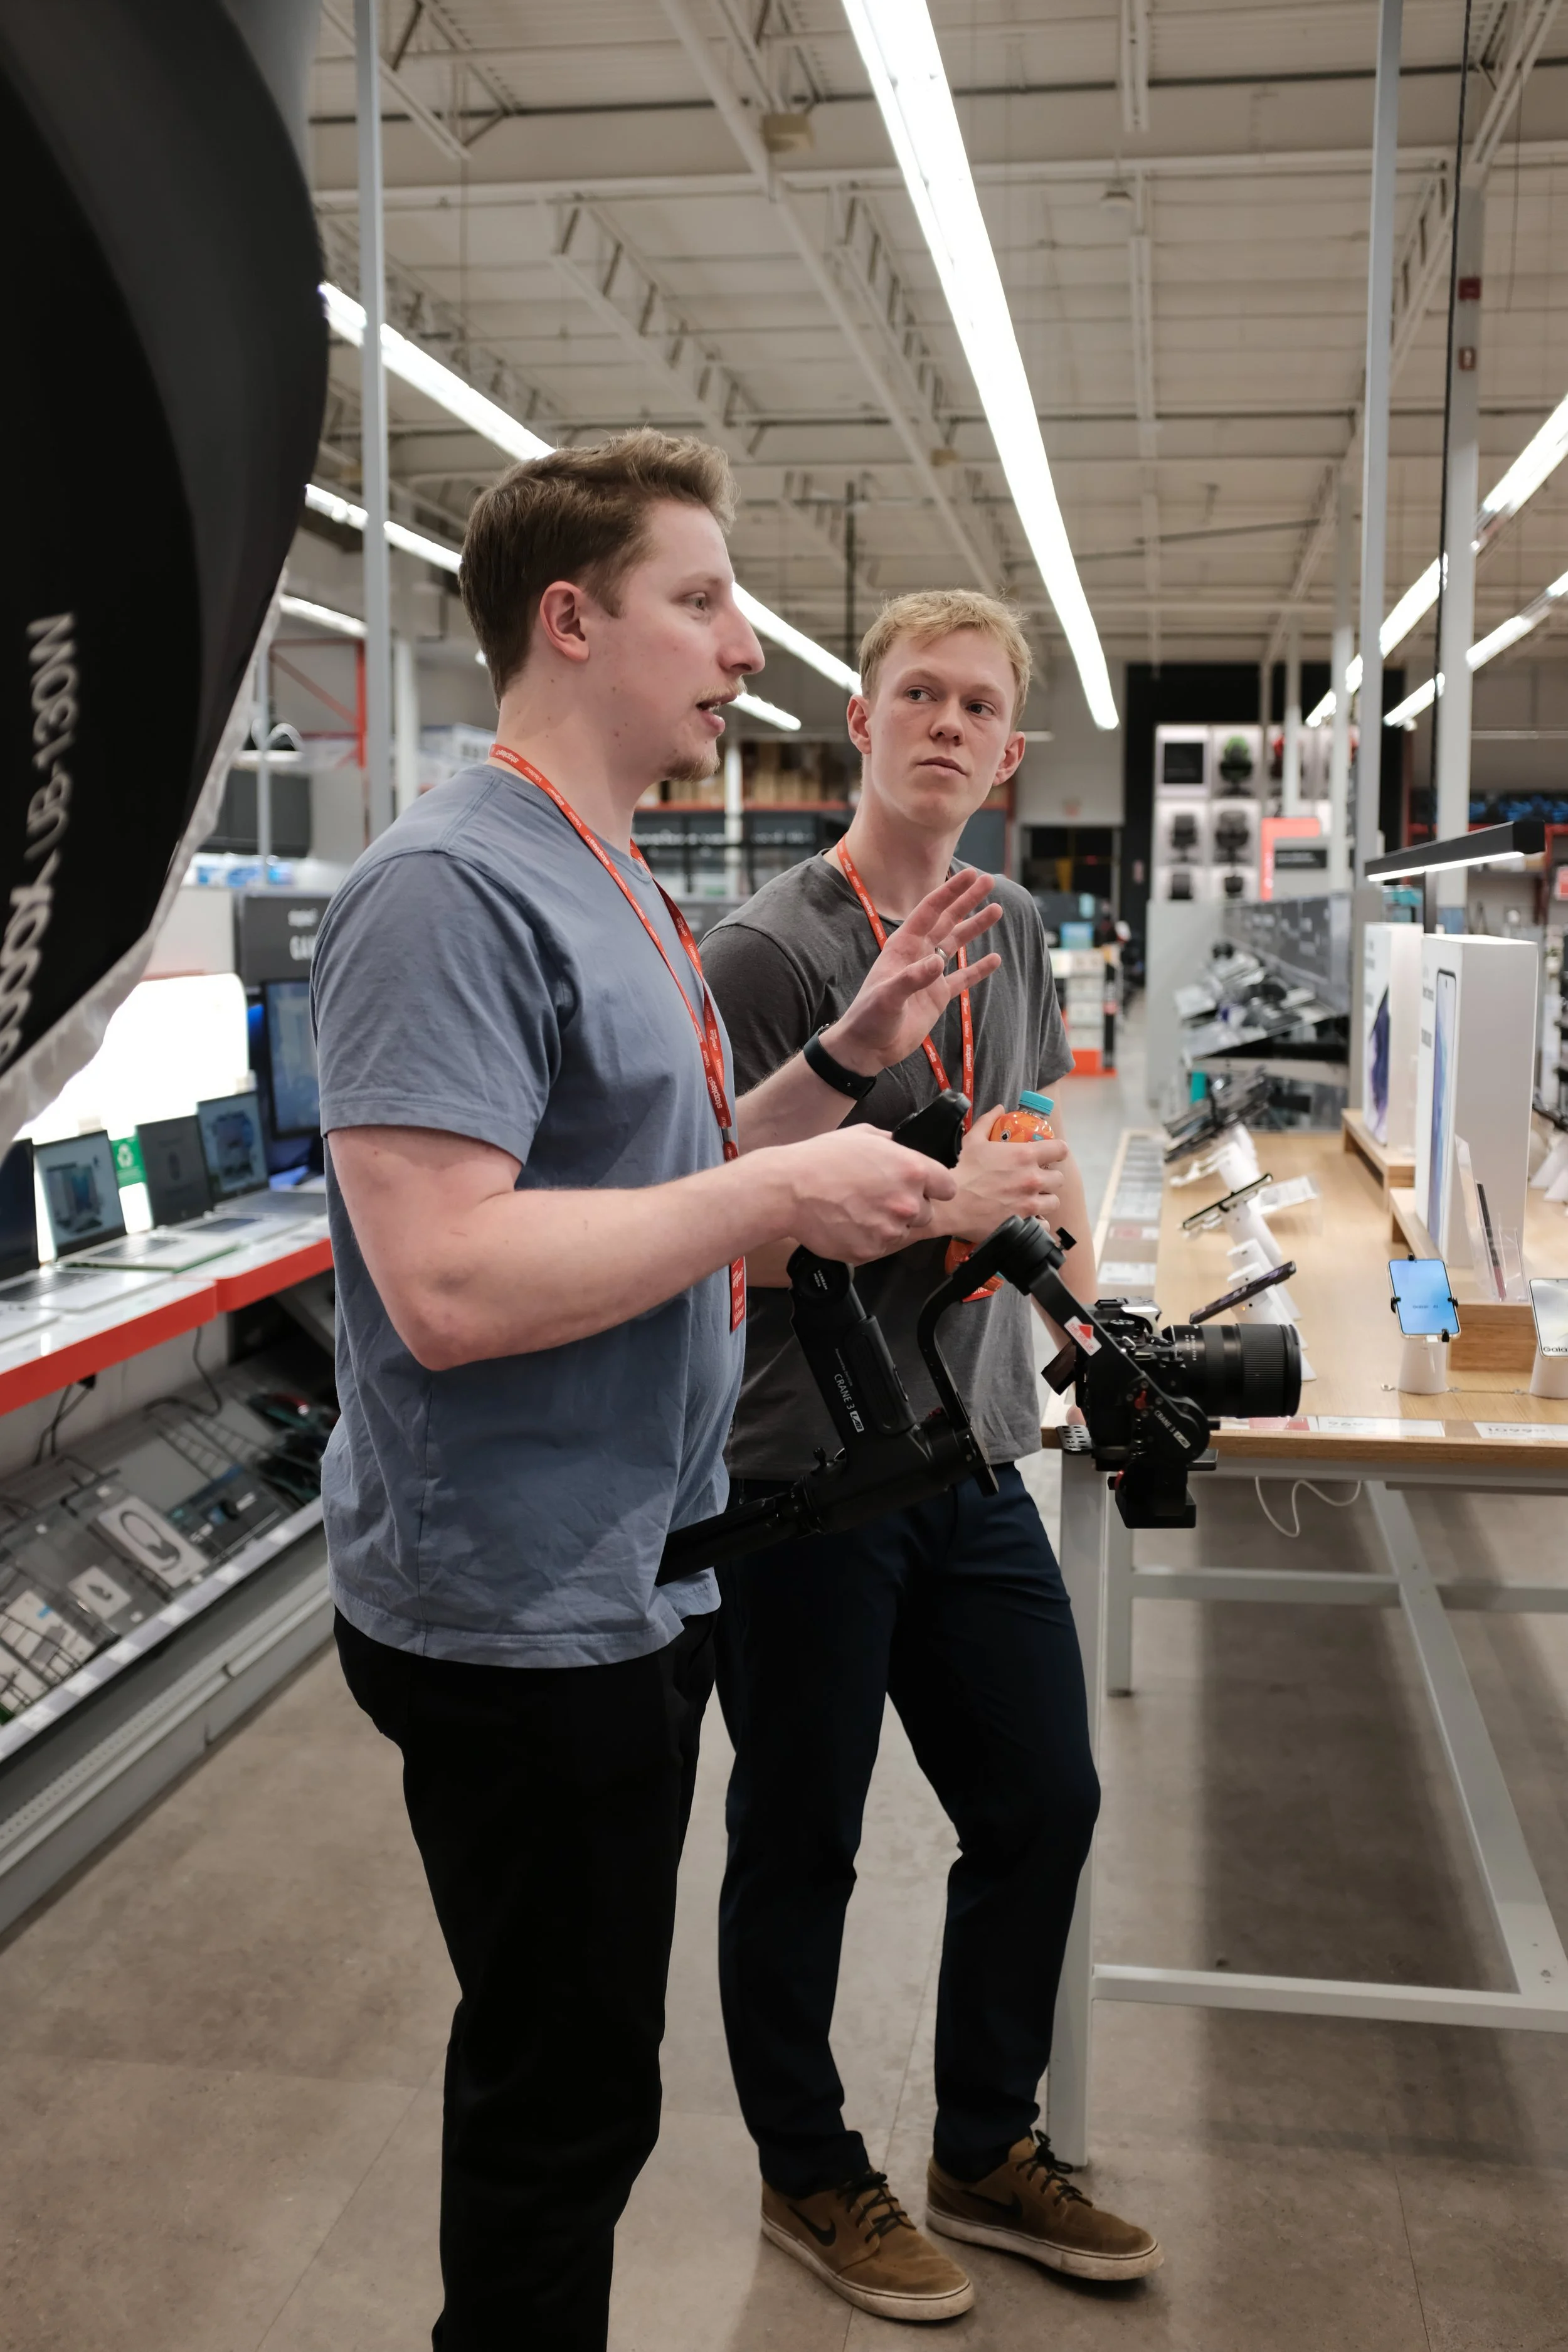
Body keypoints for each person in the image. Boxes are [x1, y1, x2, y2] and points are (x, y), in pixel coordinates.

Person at [310, 437, 1012, 2352]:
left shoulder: (606, 867)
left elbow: (649, 1178)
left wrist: (837, 1070)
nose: (739, 645)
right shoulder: (450, 888)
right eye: (699, 599)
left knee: (583, 2081)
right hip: (512, 1611)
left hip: (631, 1568)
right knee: (559, 2105)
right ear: (571, 617)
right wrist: (771, 1189)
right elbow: (447, 1278)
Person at [699, 589, 1162, 2326]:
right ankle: (808, 2167)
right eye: (918, 693)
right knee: (800, 1832)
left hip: (968, 1446)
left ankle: (984, 2138)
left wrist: (1087, 1340)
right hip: (803, 1471)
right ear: (862, 721)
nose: (948, 724)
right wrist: (930, 1200)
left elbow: (1024, 1165)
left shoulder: (1015, 932)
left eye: (979, 703)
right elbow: (707, 1235)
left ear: (1010, 746)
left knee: (1042, 1793)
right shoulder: (765, 955)